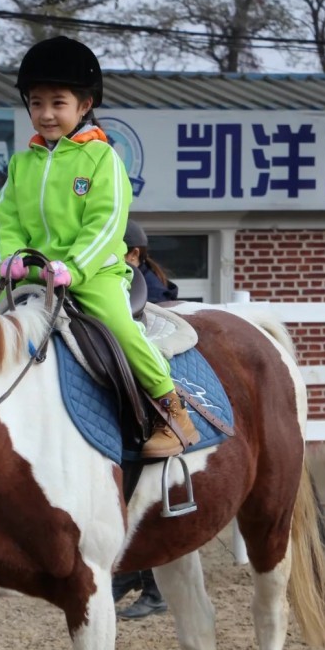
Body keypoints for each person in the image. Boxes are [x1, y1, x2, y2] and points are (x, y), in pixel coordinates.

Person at [0, 35, 199, 459]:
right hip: (31, 273)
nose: (45, 114)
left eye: (58, 102)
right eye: (36, 102)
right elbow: (4, 220)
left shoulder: (103, 160)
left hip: (93, 274)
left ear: (84, 105)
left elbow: (105, 225)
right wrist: (8, 257)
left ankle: (173, 411)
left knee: (120, 327)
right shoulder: (21, 163)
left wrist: (73, 268)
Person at [112, 218, 180, 619]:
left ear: (133, 255)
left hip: (151, 387)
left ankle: (153, 588)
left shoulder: (140, 292)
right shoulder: (133, 284)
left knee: (140, 477)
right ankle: (128, 573)